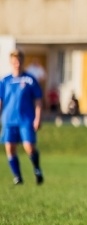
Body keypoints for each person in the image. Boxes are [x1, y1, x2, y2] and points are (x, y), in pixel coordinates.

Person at [0, 50, 44, 185]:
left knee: (29, 147)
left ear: (23, 62)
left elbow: (38, 100)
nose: (17, 64)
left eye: (19, 61)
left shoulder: (29, 80)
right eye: (14, 61)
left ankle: (37, 169)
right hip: (9, 119)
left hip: (25, 119)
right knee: (10, 148)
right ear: (11, 62)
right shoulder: (5, 81)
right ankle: (17, 177)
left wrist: (37, 118)